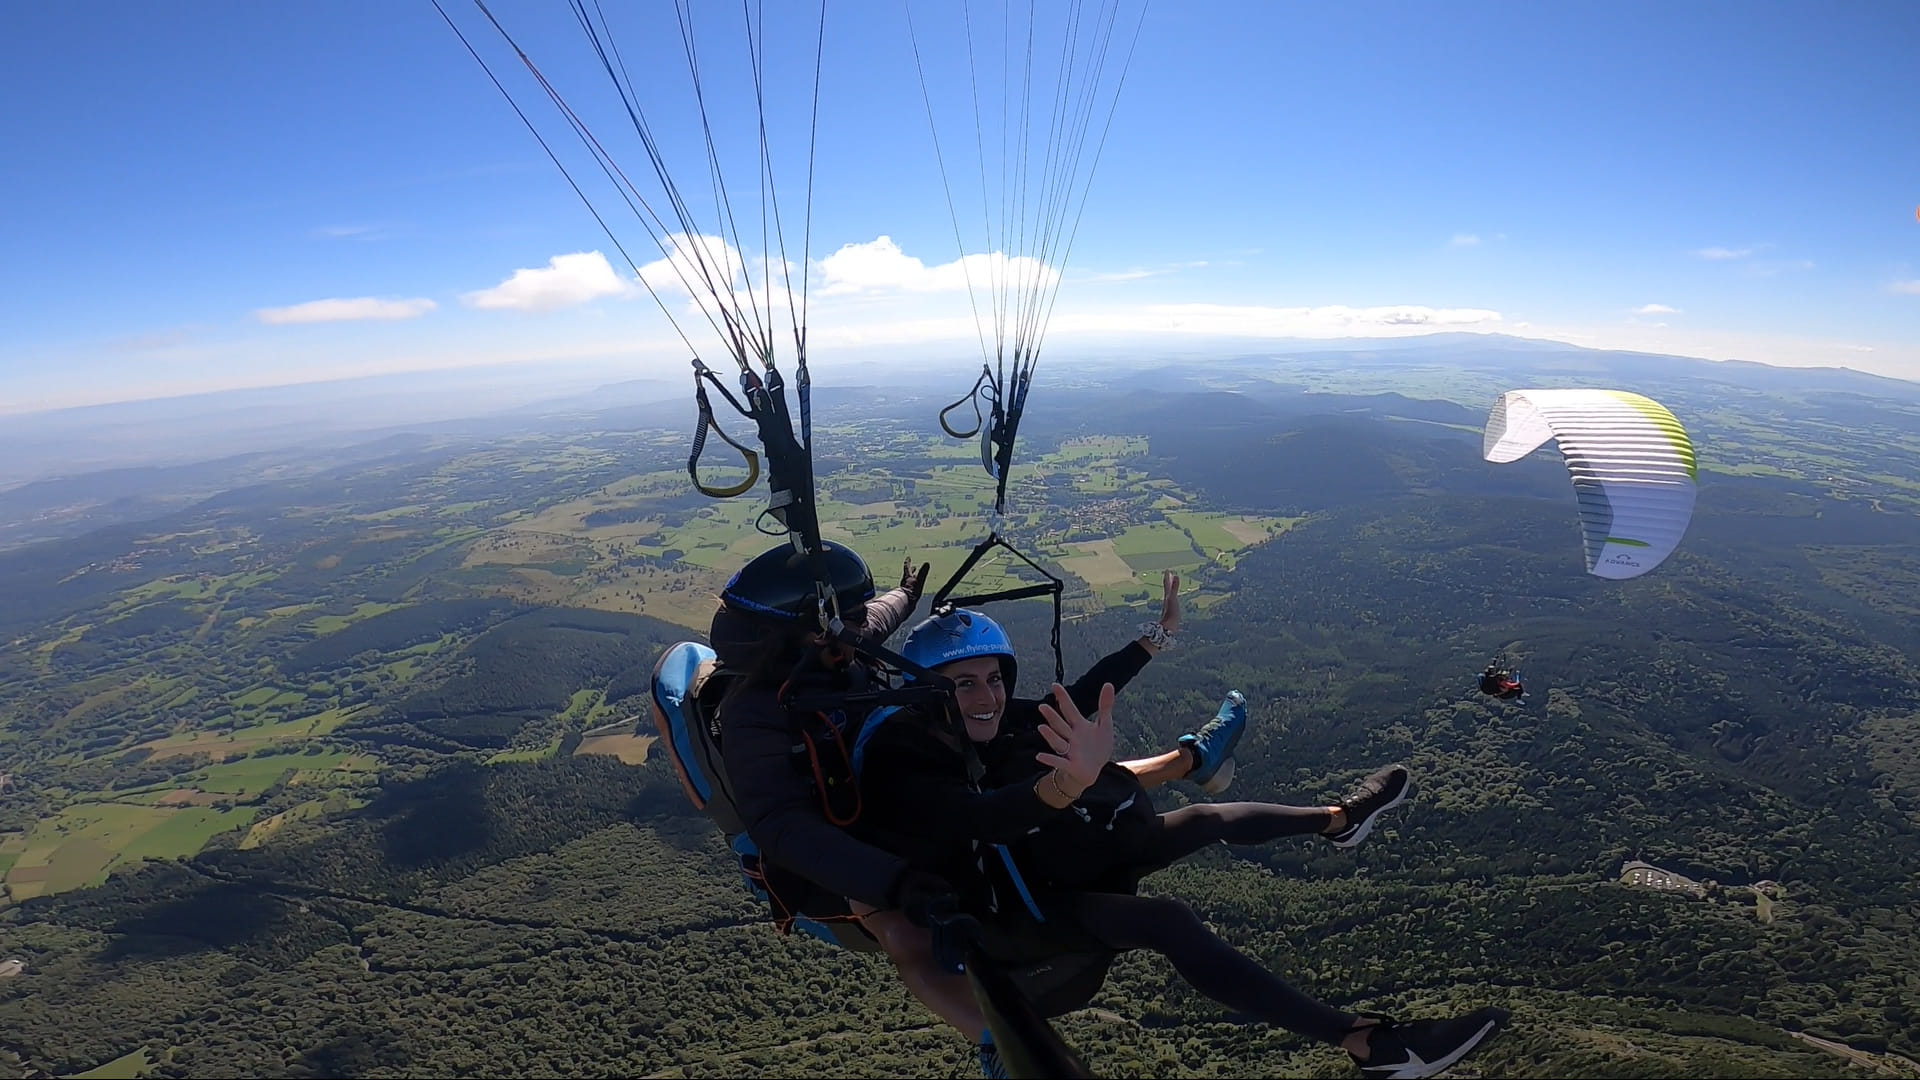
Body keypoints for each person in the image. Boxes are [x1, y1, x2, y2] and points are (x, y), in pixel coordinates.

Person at [855, 608, 1508, 1080]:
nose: (988, 696)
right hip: (1011, 916)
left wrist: (1155, 636)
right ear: (927, 692)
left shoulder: (990, 720)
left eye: (994, 678)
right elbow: (983, 819)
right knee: (1166, 919)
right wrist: (1066, 783)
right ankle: (1371, 1046)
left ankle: (1341, 820)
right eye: (964, 683)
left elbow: (1081, 694)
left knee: (1202, 818)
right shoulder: (904, 761)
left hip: (1043, 864)